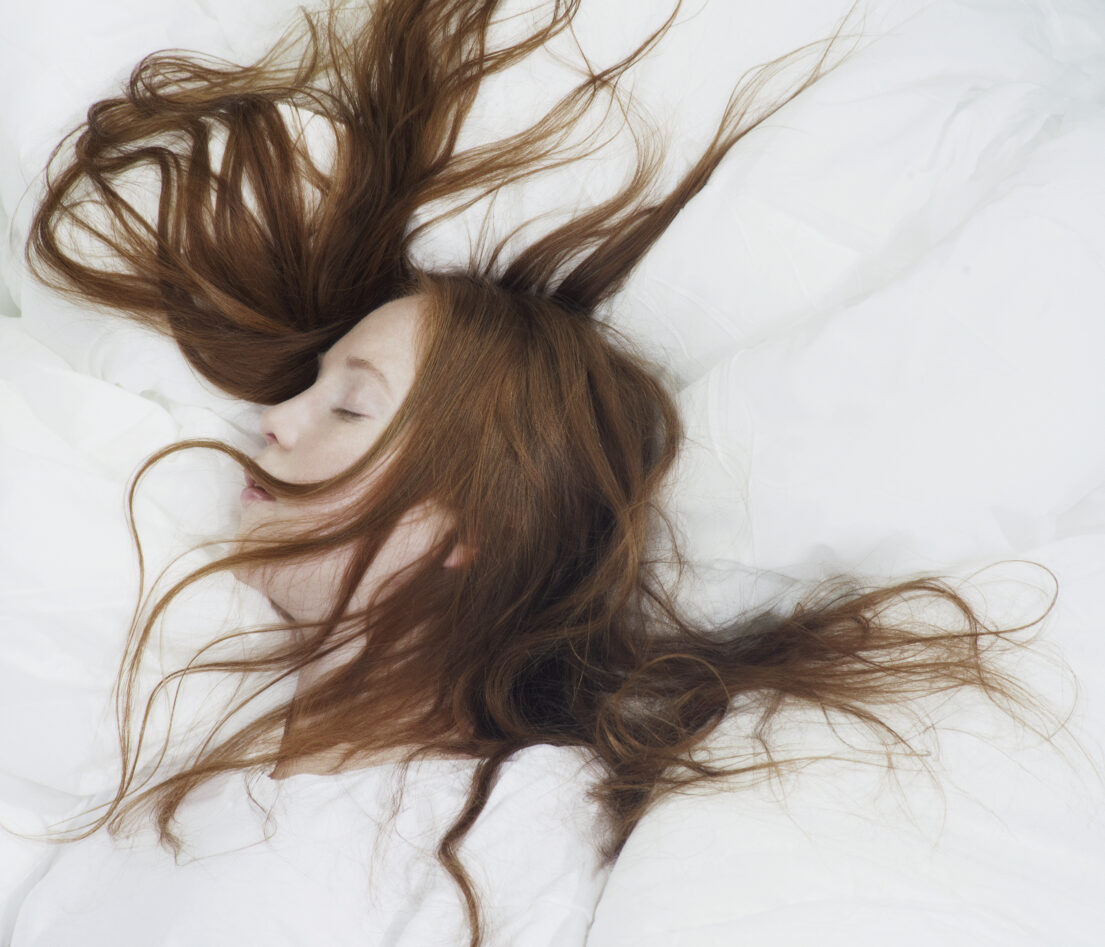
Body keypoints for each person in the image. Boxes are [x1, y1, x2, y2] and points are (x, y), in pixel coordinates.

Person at [12, 0, 1061, 944]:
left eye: (346, 401)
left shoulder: (514, 812)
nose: (273, 423)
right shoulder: (200, 731)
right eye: (311, 388)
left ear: (471, 517)